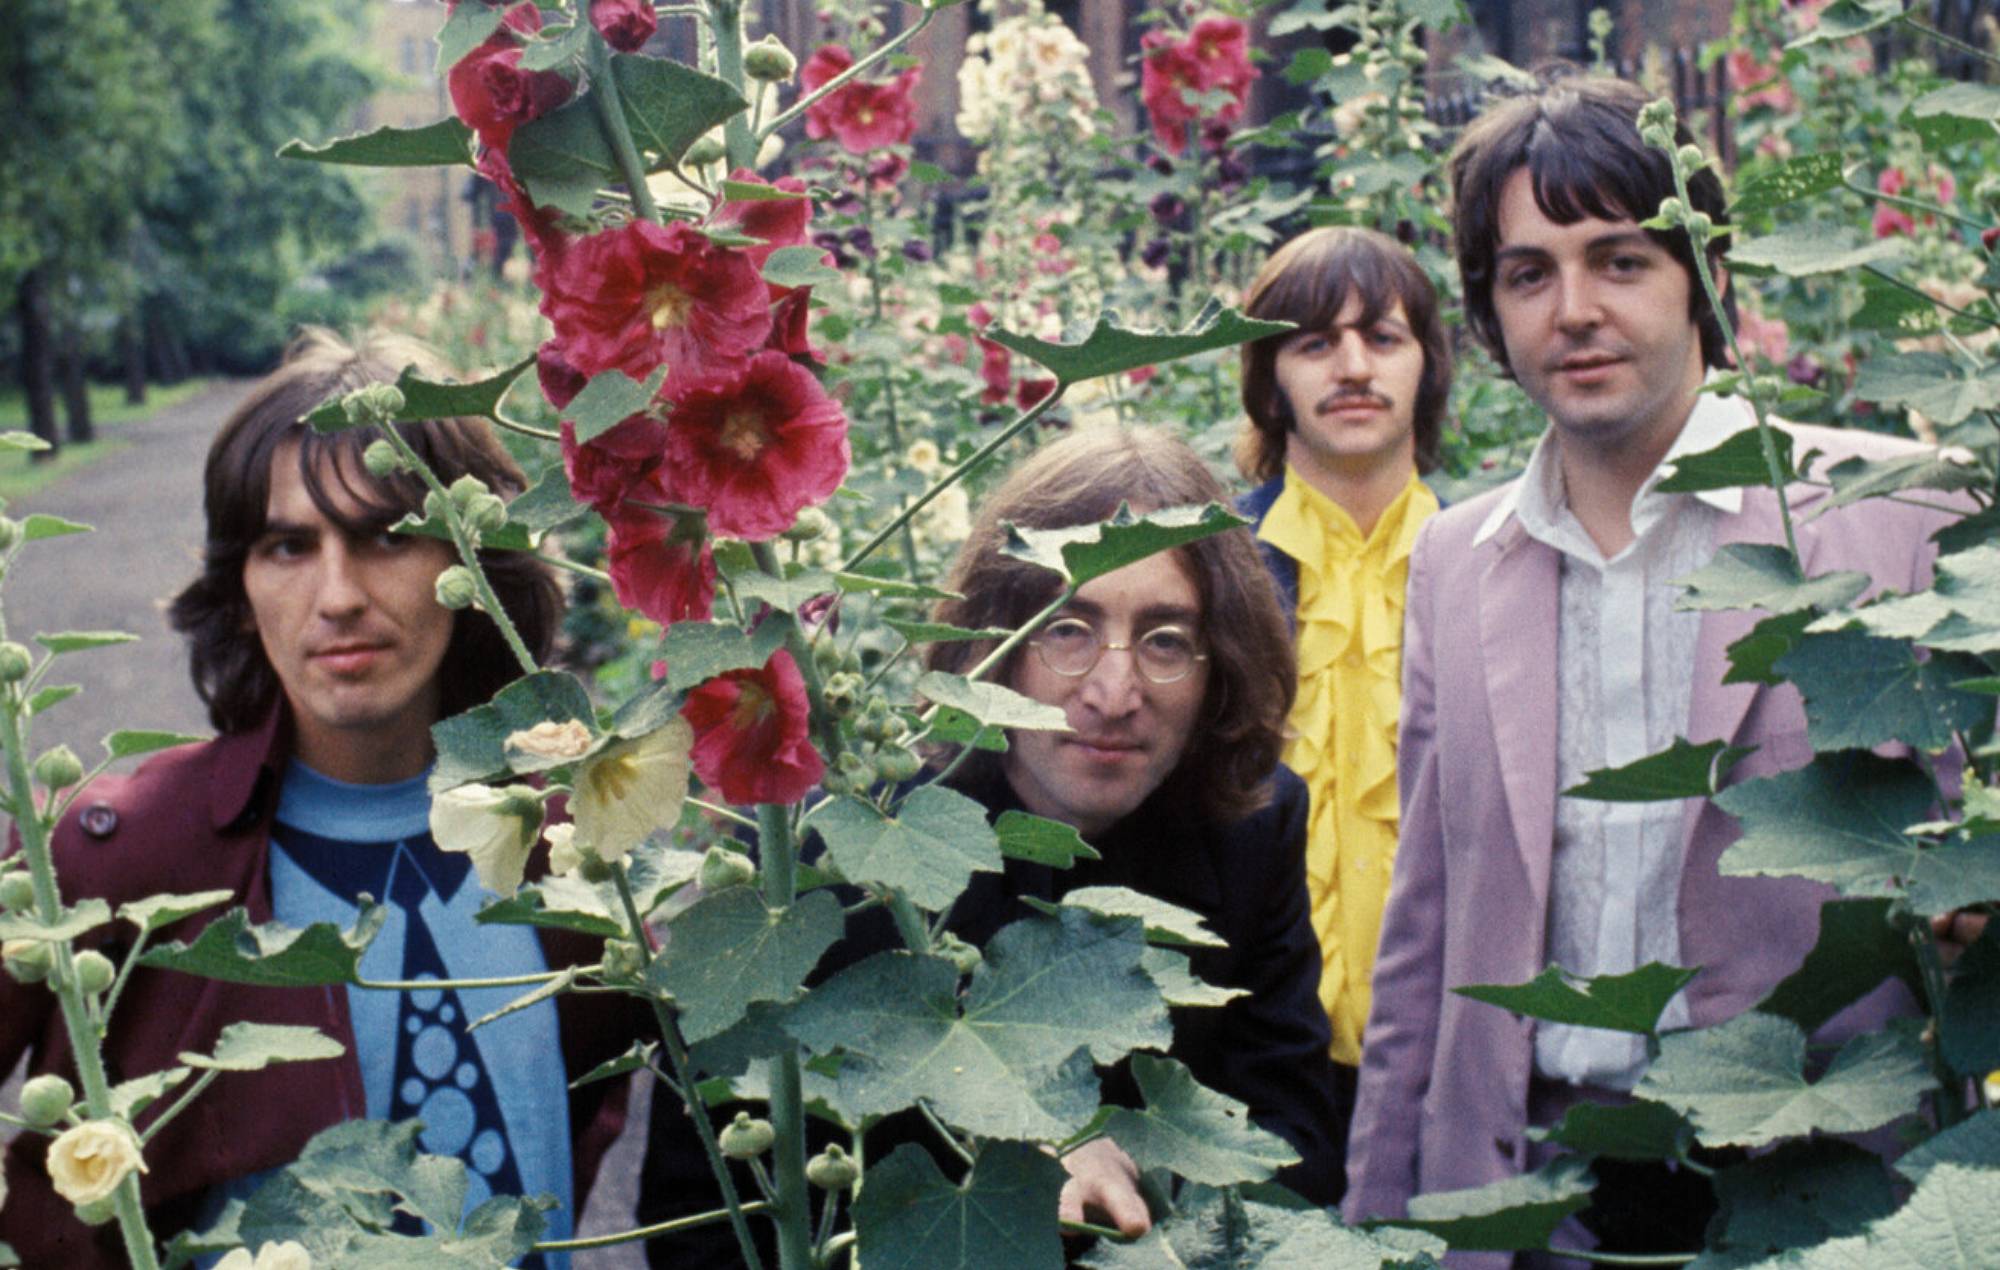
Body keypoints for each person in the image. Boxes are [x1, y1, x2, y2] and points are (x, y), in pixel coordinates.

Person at [1343, 70, 1964, 1263]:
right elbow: (1425, 915)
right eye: (1527, 273)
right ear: (1486, 311)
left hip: (1815, 1184)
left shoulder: (1891, 517)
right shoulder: (1456, 562)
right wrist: (1376, 1226)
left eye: (1617, 259)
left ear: (1705, 278)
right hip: (1532, 1191)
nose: (1571, 308)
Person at [0, 329, 637, 1268]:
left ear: (470, 564)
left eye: (386, 536)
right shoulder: (124, 857)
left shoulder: (571, 851)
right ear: (240, 584)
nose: (336, 595)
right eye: (289, 544)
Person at [637, 425, 1344, 1263]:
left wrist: (1141, 1178)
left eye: (1165, 640)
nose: (1114, 694)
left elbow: (1297, 1142)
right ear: (993, 642)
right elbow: (694, 1215)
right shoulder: (832, 856)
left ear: (1218, 661)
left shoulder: (1251, 828)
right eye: (1068, 628)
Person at [1234, 226, 1452, 1108]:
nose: (1353, 366)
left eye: (1383, 337)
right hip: (1252, 1059)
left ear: (1427, 366)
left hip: (1452, 1049)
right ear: (1270, 380)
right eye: (1315, 342)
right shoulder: (1214, 572)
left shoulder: (1497, 564)